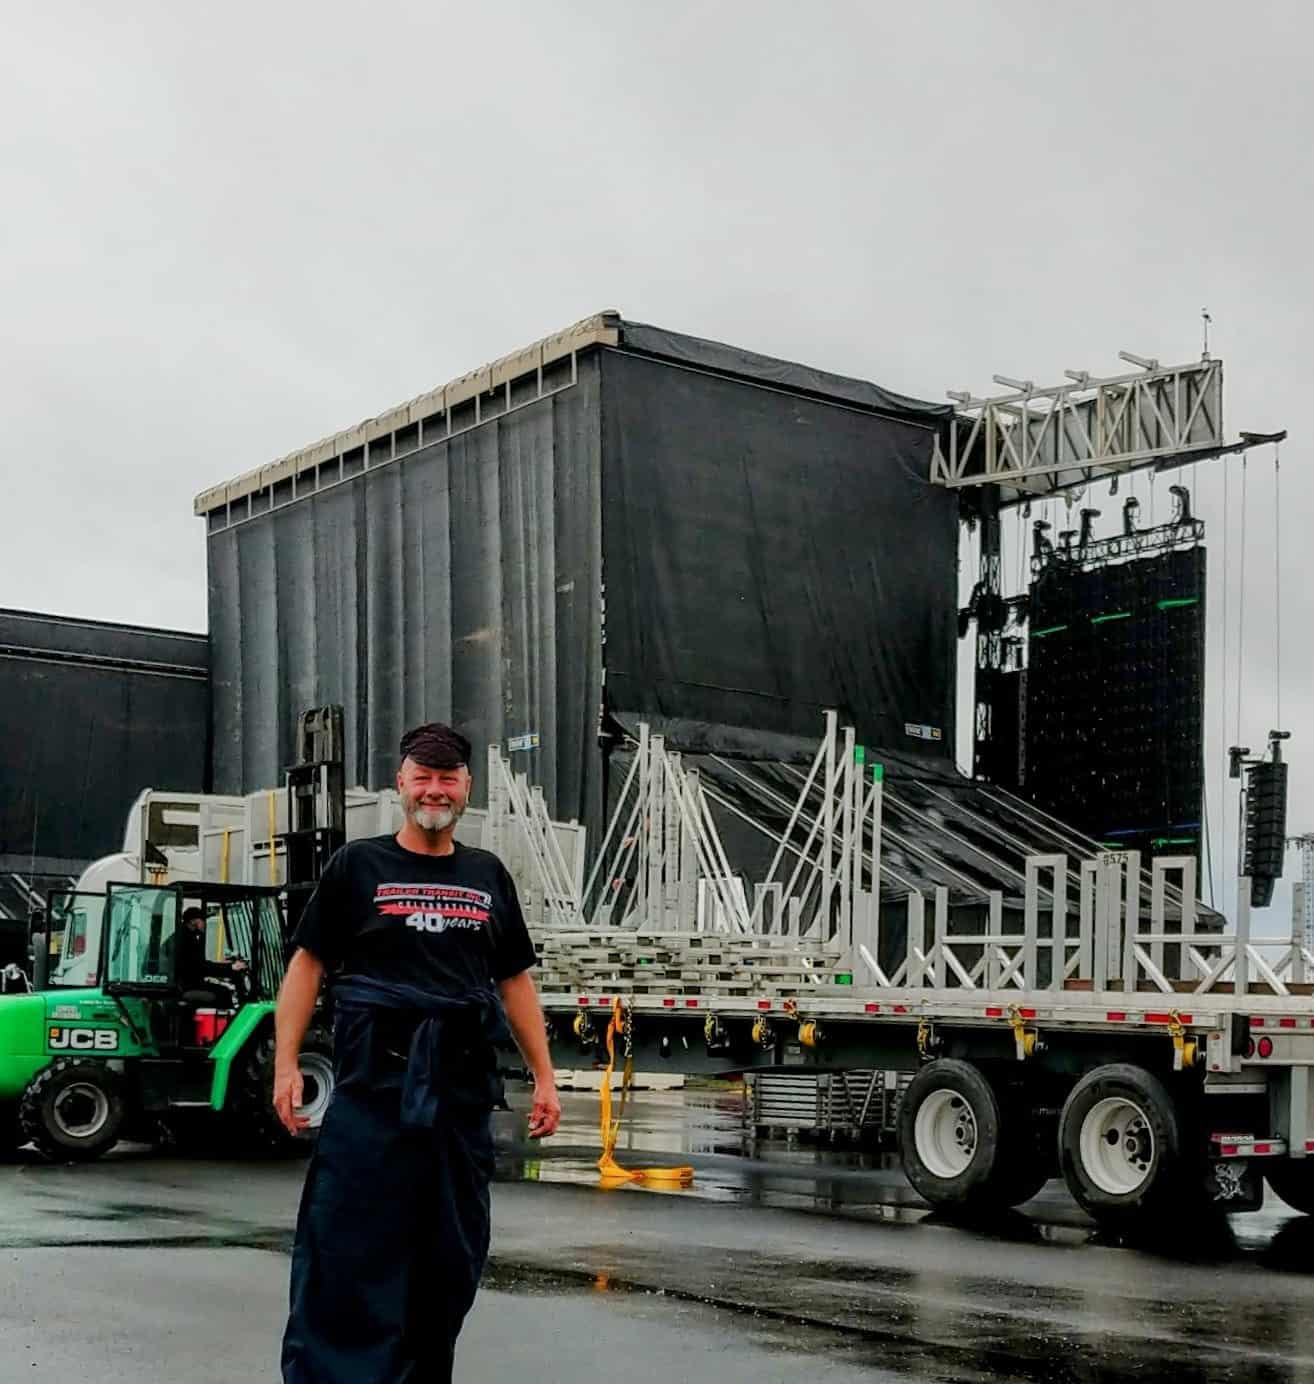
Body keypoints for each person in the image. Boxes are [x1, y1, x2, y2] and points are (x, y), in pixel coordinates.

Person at [274, 721, 560, 1384]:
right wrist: (287, 1065)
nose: (436, 789)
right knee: (349, 1255)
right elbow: (308, 965)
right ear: (401, 784)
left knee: (447, 1258)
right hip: (374, 1099)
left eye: (448, 777)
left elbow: (513, 981)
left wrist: (545, 1077)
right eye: (423, 776)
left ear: (466, 789)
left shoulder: (487, 875)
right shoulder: (357, 866)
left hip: (457, 1104)